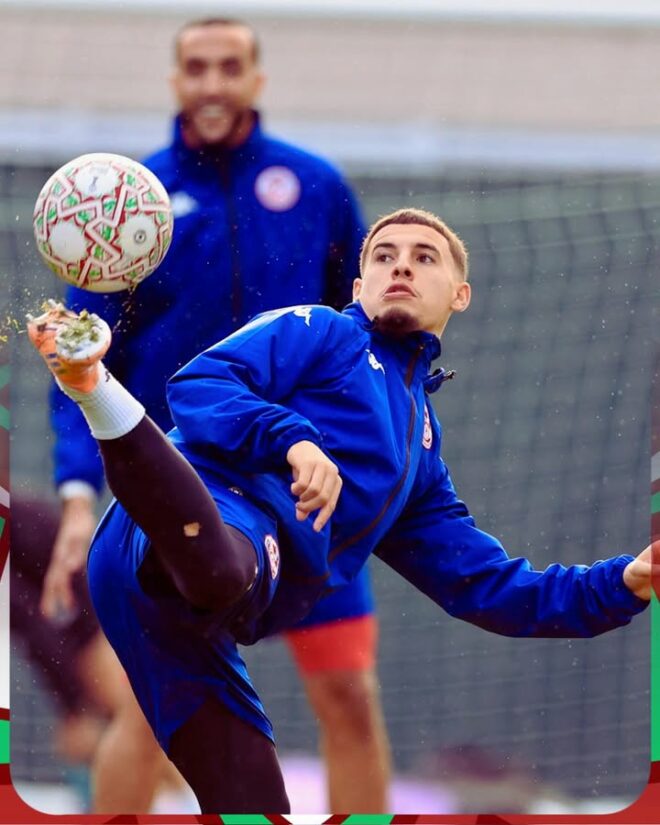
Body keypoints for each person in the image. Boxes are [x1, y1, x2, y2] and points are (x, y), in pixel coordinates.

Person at [26, 207, 652, 814]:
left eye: (424, 257)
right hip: (178, 525)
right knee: (223, 572)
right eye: (384, 256)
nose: (400, 266)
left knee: (252, 802)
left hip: (192, 611)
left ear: (460, 295)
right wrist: (293, 440)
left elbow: (492, 589)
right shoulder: (321, 329)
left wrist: (625, 583)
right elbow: (200, 384)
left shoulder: (418, 458)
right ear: (358, 286)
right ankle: (94, 387)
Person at [41, 16, 389, 813]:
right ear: (175, 80)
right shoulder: (123, 205)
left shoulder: (318, 188)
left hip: (307, 485)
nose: (212, 83)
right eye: (196, 68)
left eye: (230, 67)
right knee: (148, 713)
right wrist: (76, 495)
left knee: (350, 696)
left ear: (256, 79)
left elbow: (361, 332)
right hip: (180, 490)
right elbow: (78, 359)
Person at [10, 493, 181, 813]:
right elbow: (36, 628)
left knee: (132, 725)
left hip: (98, 629)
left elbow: (39, 627)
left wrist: (74, 705)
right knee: (126, 727)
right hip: (95, 628)